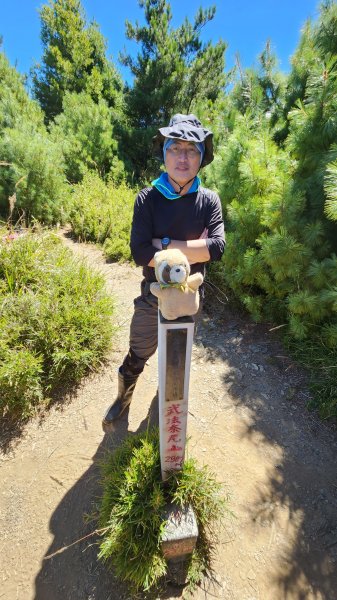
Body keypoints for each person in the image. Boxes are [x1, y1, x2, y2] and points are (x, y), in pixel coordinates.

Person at [102, 113, 225, 427]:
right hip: (151, 295)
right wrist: (189, 248)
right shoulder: (148, 198)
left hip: (189, 298)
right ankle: (123, 398)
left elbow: (217, 249)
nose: (183, 157)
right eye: (175, 148)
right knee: (137, 353)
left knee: (177, 358)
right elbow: (141, 252)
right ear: (164, 152)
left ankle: (166, 401)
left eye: (191, 150)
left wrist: (165, 243)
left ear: (202, 157)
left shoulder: (209, 200)